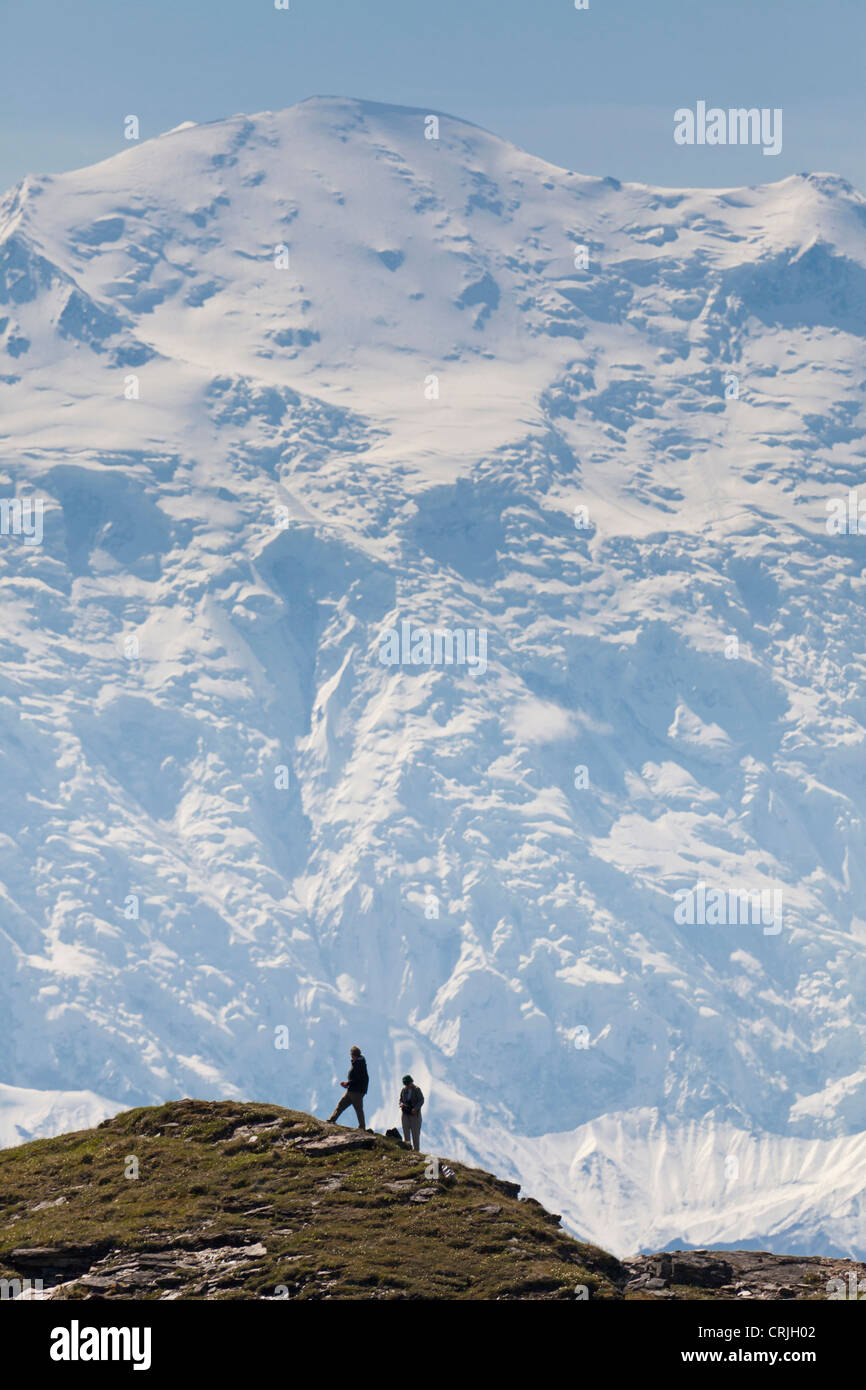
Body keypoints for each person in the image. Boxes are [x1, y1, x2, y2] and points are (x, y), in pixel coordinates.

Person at [326, 1045, 369, 1129]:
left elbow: (357, 1079)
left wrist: (347, 1083)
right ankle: (332, 1120)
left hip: (356, 1091)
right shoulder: (359, 1063)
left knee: (357, 1109)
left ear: (354, 1055)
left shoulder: (359, 1065)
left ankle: (362, 1127)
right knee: (342, 1104)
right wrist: (348, 1084)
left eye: (351, 1055)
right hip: (353, 1090)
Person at [399, 1074, 424, 1150]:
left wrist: (415, 1109)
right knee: (406, 1132)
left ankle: (416, 1151)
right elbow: (400, 1099)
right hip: (405, 1114)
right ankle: (407, 1149)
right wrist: (401, 1104)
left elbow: (421, 1100)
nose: (407, 1085)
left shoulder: (417, 1089)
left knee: (415, 1134)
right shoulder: (403, 1090)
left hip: (414, 1115)